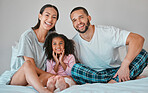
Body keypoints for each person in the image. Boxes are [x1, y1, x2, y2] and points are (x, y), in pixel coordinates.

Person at [70, 6, 148, 84]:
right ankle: (122, 79)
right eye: (74, 20)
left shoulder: (107, 32)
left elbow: (138, 39)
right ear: (73, 24)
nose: (79, 22)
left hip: (117, 70)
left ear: (89, 18)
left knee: (143, 54)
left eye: (81, 17)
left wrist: (125, 65)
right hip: (95, 75)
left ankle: (115, 80)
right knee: (75, 69)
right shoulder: (73, 43)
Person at [0, 4, 59, 93]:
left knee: (53, 77)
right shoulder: (27, 36)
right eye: (47, 15)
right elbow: (31, 66)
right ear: (40, 16)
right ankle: (42, 90)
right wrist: (47, 74)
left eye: (54, 17)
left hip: (39, 76)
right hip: (21, 76)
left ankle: (31, 86)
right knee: (28, 64)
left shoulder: (52, 37)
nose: (50, 19)